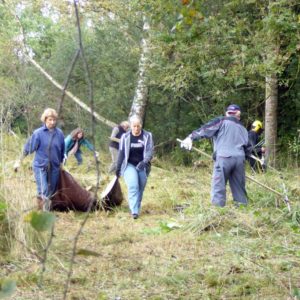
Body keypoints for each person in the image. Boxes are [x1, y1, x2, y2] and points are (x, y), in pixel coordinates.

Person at [181, 104, 249, 207]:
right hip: (240, 160)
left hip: (224, 158)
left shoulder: (221, 121)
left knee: (219, 186)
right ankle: (243, 209)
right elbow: (248, 149)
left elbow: (206, 129)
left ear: (227, 113)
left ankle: (217, 211)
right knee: (239, 187)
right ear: (238, 115)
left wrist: (191, 137)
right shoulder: (243, 128)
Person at [13, 108, 65, 210]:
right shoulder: (38, 133)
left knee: (51, 190)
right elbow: (28, 148)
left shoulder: (59, 134)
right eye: (50, 119)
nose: (52, 122)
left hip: (54, 167)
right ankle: (45, 213)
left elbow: (62, 150)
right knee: (43, 189)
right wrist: (18, 161)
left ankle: (41, 207)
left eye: (54, 120)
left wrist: (61, 163)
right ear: (45, 119)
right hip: (40, 166)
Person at [115, 115, 154, 219]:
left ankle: (137, 206)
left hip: (142, 165)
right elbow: (121, 153)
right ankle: (134, 211)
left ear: (140, 125)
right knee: (133, 186)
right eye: (134, 126)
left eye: (138, 126)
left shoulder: (147, 136)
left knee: (141, 187)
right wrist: (118, 168)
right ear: (130, 126)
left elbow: (150, 151)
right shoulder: (125, 137)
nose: (136, 129)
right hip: (129, 165)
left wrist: (144, 162)